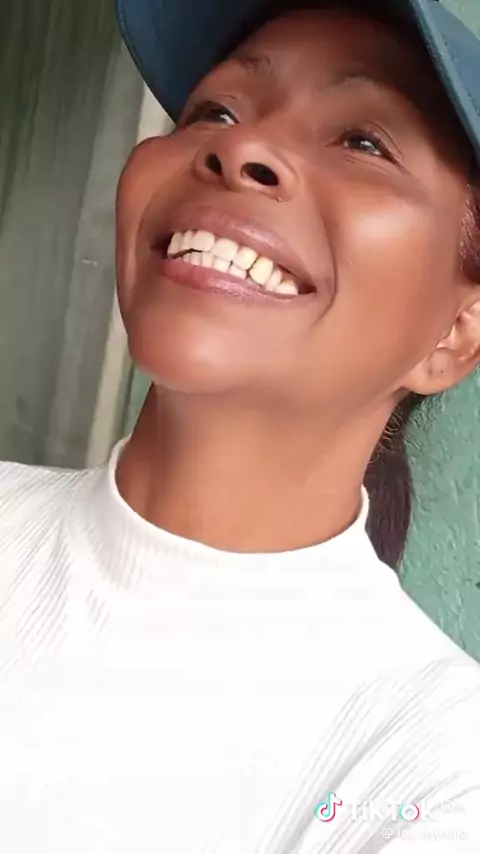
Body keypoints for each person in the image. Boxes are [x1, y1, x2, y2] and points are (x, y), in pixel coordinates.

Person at [1, 0, 480, 850]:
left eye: (364, 141)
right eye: (215, 112)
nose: (241, 147)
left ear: (454, 334)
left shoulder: (434, 771)